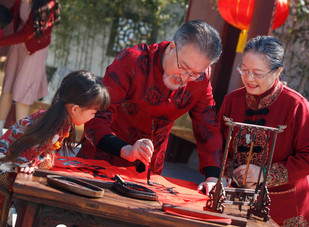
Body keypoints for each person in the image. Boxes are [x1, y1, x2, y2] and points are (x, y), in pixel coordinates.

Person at [76, 20, 223, 194]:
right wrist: (126, 150)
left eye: (194, 73)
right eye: (183, 67)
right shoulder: (131, 60)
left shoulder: (201, 78)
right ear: (171, 47)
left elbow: (207, 126)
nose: (185, 78)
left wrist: (213, 178)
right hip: (102, 158)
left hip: (148, 172)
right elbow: (96, 116)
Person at [217, 36, 309, 226]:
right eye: (244, 70)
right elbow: (216, 145)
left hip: (283, 207)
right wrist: (229, 171)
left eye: (257, 74)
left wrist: (264, 174)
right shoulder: (232, 101)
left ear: (278, 71)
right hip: (235, 201)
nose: (248, 78)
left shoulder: (296, 105)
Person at [0, 70, 110, 217]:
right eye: (93, 112)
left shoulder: (54, 117)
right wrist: (29, 164)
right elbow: (30, 151)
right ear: (76, 109)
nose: (93, 116)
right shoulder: (58, 124)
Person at [0, 0, 60, 136]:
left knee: (23, 93)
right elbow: (9, 15)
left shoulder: (47, 5)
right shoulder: (20, 1)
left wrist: (1, 41)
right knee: (7, 89)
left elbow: (28, 33)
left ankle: (19, 136)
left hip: (34, 49)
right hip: (17, 44)